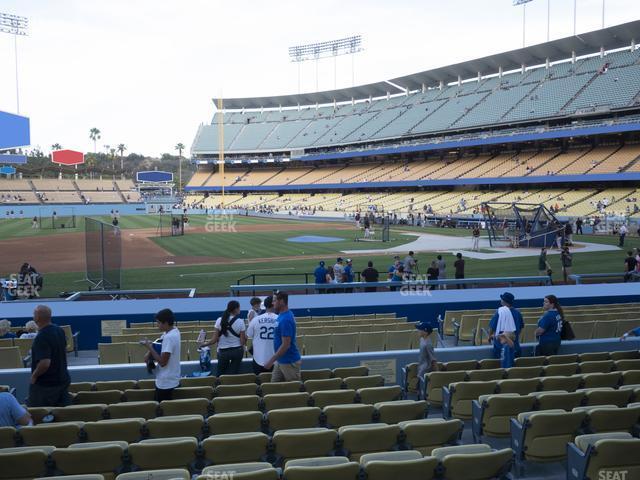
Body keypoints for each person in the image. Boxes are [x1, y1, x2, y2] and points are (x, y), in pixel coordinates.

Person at [27, 305, 71, 407]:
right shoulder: (59, 330)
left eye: (34, 314)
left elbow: (45, 363)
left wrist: (34, 376)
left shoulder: (41, 337)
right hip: (62, 380)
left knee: (41, 416)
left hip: (46, 386)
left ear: (37, 318)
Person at [142, 308, 181, 402]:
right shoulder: (174, 331)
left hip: (165, 383)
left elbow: (163, 362)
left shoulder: (169, 337)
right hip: (170, 379)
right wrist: (151, 346)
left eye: (159, 323)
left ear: (166, 323)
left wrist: (149, 347)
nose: (157, 325)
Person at [201, 300, 246, 376]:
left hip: (223, 352)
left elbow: (214, 340)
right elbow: (242, 342)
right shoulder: (240, 322)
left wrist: (204, 344)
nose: (240, 309)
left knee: (220, 374)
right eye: (239, 308)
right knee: (232, 375)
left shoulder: (219, 320)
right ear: (235, 309)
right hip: (237, 351)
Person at [265, 291, 301, 382]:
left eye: (274, 301)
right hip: (280, 360)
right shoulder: (282, 315)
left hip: (289, 362)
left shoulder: (286, 319)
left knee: (293, 390)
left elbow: (286, 345)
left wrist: (271, 361)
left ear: (281, 301)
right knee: (273, 388)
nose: (272, 303)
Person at [246, 296, 278, 374]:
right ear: (274, 304)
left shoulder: (255, 319)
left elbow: (249, 335)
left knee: (259, 382)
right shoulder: (280, 319)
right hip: (274, 359)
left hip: (258, 358)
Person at [488, 292, 524, 361]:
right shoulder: (518, 313)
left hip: (501, 348)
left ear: (504, 301)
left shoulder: (500, 312)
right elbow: (520, 328)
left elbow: (492, 328)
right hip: (515, 346)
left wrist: (490, 336)